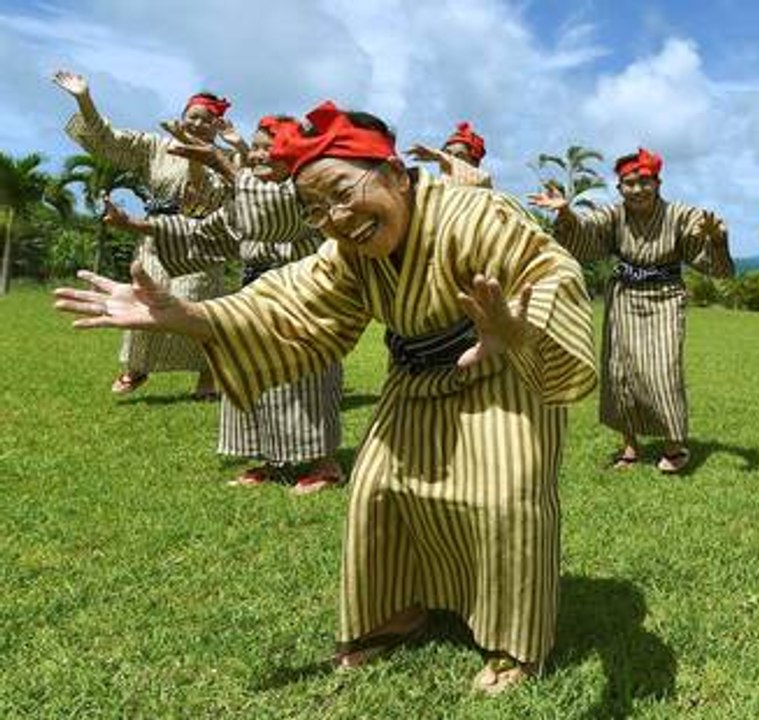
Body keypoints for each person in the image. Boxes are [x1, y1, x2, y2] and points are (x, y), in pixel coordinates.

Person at [54, 101, 597, 694]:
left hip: (502, 371)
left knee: (503, 497)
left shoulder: (475, 215)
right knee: (378, 490)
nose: (338, 219)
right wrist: (191, 316)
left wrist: (515, 329)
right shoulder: (348, 250)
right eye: (316, 209)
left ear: (391, 171)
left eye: (342, 191)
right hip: (414, 378)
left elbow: (553, 273)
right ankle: (400, 608)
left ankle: (514, 645)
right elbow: (291, 303)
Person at [100, 115, 344, 494]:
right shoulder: (247, 197)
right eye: (257, 145)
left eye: (269, 146)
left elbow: (273, 214)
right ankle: (269, 460)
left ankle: (325, 464)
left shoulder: (305, 193)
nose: (260, 153)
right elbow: (208, 232)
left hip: (303, 301)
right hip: (253, 297)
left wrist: (221, 162)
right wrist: (134, 224)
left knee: (304, 380)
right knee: (251, 373)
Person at [529, 148, 733, 472]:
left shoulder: (679, 214)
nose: (637, 189)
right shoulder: (614, 215)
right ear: (620, 188)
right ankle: (629, 448)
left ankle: (674, 445)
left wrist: (718, 240)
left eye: (644, 182)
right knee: (619, 371)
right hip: (624, 296)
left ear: (658, 182)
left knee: (662, 370)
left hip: (665, 296)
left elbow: (705, 247)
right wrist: (566, 214)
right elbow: (587, 233)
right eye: (629, 183)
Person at [52, 69, 231, 398]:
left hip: (199, 238)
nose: (198, 124)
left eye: (207, 120)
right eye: (193, 117)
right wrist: (84, 98)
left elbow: (201, 196)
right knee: (146, 297)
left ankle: (208, 376)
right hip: (152, 237)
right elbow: (109, 141)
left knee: (197, 303)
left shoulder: (224, 160)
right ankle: (137, 366)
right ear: (182, 116)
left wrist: (195, 155)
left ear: (217, 127)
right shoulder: (155, 147)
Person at [405, 121, 493, 188]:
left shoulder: (484, 184)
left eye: (459, 156)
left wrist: (440, 156)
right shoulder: (434, 192)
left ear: (475, 163)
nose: (449, 159)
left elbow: (482, 177)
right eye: (448, 154)